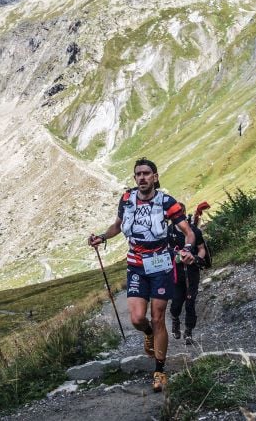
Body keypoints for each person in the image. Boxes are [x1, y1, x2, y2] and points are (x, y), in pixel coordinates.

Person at [89, 158, 195, 392]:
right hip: (136, 265)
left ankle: (159, 371)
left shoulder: (167, 202)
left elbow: (188, 231)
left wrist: (187, 249)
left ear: (155, 177)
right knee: (137, 319)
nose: (142, 177)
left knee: (158, 318)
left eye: (146, 173)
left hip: (160, 265)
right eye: (138, 174)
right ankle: (148, 334)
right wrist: (102, 237)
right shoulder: (127, 198)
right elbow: (117, 225)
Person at [168, 208, 208, 345]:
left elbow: (201, 249)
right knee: (176, 302)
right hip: (175, 273)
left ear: (184, 214)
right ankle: (175, 319)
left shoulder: (194, 231)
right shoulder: (168, 231)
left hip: (192, 272)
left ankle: (189, 332)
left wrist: (197, 259)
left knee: (190, 302)